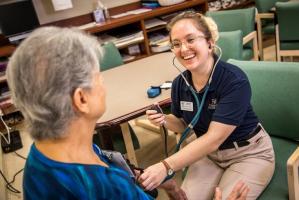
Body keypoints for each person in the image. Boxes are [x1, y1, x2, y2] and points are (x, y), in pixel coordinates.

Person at [6, 26, 186, 200]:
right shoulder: (111, 188)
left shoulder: (42, 154)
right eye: (98, 76)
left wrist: (163, 182)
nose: (104, 84)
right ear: (81, 99)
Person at [140, 11, 275, 200]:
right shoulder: (180, 83)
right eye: (176, 44)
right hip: (209, 155)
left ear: (210, 43)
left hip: (248, 153)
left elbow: (214, 138)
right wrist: (164, 120)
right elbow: (182, 123)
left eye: (190, 39)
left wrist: (165, 166)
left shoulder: (234, 80)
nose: (183, 49)